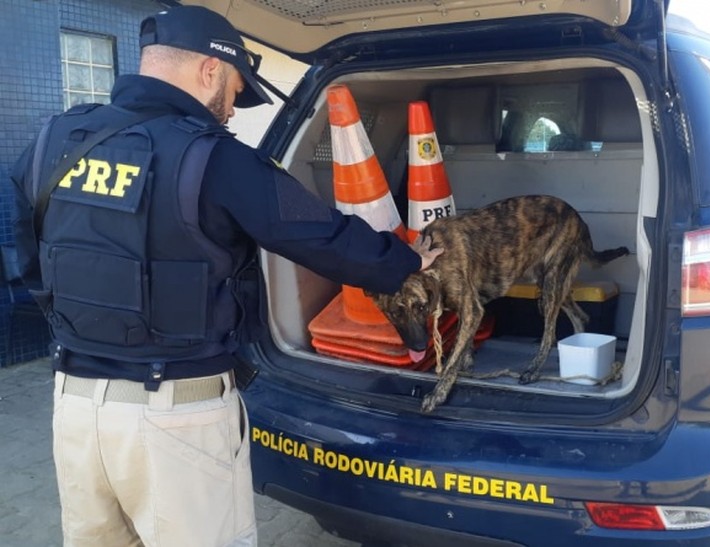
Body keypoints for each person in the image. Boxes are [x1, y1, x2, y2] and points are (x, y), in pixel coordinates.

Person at [8, 6, 441, 547]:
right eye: (236, 90)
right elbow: (322, 237)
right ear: (209, 70)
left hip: (74, 410)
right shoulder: (212, 156)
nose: (233, 109)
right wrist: (406, 260)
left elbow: (30, 254)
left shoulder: (53, 139)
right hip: (176, 416)